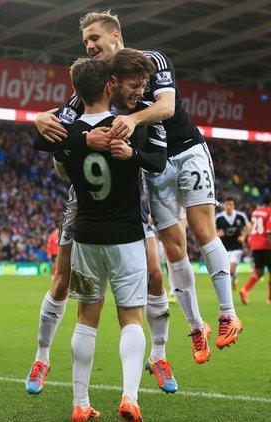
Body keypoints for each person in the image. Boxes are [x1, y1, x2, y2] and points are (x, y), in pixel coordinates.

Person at [35, 10, 242, 364]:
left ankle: (227, 312)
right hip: (152, 162)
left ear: (116, 35)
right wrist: (40, 117)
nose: (89, 45)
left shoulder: (152, 61)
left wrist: (130, 119)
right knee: (173, 247)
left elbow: (167, 105)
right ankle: (196, 327)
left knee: (202, 227)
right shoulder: (103, 80)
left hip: (186, 149)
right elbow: (68, 115)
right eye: (85, 41)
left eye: (95, 38)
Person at [39, 54, 165, 421]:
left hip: (85, 237)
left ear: (76, 92)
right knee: (131, 319)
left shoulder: (68, 134)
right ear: (111, 85)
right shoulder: (127, 127)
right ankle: (129, 397)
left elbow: (40, 143)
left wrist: (78, 137)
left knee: (85, 320)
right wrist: (133, 153)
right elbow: (157, 161)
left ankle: (80, 404)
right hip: (126, 237)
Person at [240, 194, 271, 305]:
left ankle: (245, 289)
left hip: (254, 244)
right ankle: (269, 299)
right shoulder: (269, 212)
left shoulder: (256, 212)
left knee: (259, 271)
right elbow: (268, 233)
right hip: (265, 245)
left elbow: (252, 228)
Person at [216, 197, 250, 289]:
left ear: (234, 205)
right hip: (224, 248)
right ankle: (235, 278)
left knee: (231, 269)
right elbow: (212, 230)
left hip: (237, 248)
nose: (229, 207)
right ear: (225, 206)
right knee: (227, 269)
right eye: (227, 204)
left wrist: (243, 236)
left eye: (230, 204)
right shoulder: (219, 218)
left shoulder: (240, 216)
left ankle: (228, 287)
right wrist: (218, 234)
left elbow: (249, 225)